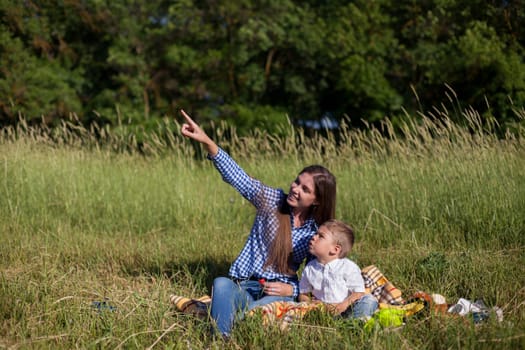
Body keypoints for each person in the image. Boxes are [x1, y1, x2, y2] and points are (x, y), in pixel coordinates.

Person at [180, 109, 337, 338]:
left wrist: (291, 289)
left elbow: (317, 276)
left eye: (305, 189)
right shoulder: (272, 200)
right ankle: (221, 341)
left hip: (278, 292)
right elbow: (237, 177)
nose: (295, 189)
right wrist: (207, 141)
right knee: (221, 284)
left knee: (253, 314)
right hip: (243, 285)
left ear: (317, 200)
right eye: (296, 182)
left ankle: (234, 323)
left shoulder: (317, 233)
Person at [298, 219, 378, 318]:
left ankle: (355, 322)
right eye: (316, 234)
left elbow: (358, 293)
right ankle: (352, 321)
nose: (314, 237)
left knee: (369, 300)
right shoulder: (310, 268)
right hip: (323, 311)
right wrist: (311, 304)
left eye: (321, 236)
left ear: (335, 249)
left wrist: (342, 306)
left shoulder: (348, 267)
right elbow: (303, 294)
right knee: (298, 307)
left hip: (346, 308)